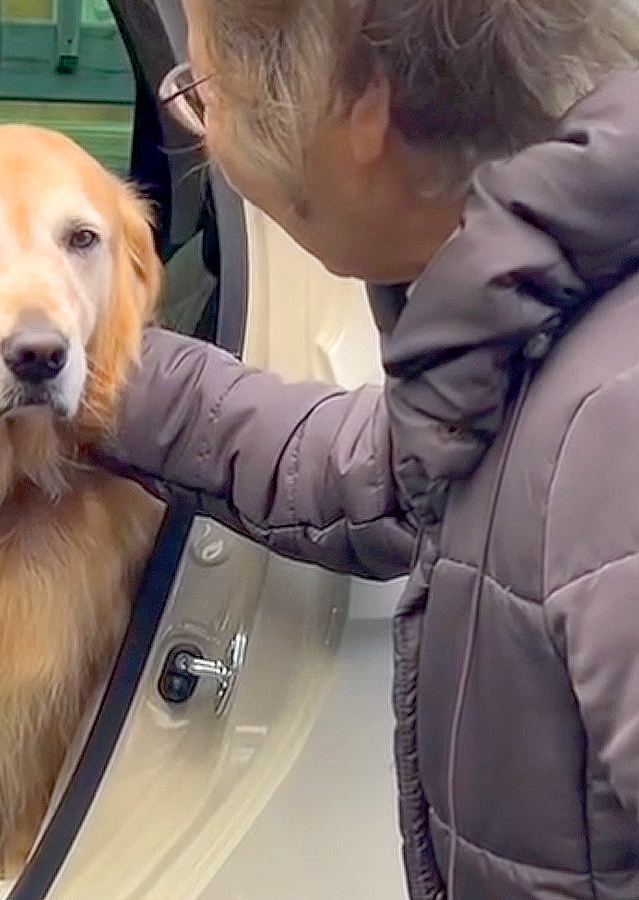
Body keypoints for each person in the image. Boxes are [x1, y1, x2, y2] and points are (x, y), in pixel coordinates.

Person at [99, 1, 639, 898]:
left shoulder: (615, 435)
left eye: (206, 94)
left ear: (361, 109)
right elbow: (369, 468)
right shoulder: (533, 346)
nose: (206, 133)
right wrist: (94, 370)